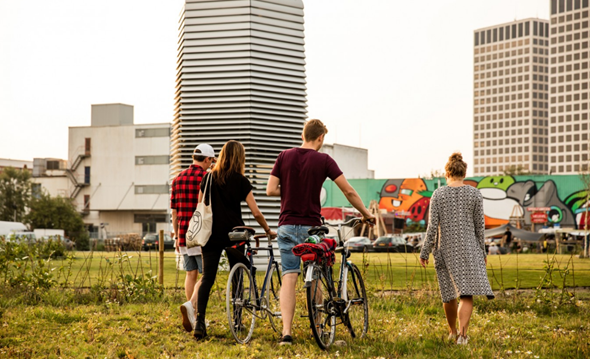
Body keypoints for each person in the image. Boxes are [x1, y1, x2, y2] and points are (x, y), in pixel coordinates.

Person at [266, 119, 375, 345]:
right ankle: (319, 328)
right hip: (311, 229)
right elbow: (348, 191)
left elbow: (270, 190)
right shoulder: (324, 159)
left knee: (289, 276)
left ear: (302, 135)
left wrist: (291, 190)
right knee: (316, 273)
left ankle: (286, 332)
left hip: (286, 226)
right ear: (320, 138)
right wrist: (366, 213)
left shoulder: (283, 156)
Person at [194, 140, 276, 340]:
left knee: (207, 278)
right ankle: (237, 320)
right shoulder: (241, 181)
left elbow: (200, 204)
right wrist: (267, 229)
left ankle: (199, 323)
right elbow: (255, 211)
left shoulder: (208, 178)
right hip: (234, 235)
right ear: (240, 158)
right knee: (238, 274)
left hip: (211, 234)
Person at [419, 152, 494, 345]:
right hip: (469, 249)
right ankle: (462, 336)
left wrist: (425, 251)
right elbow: (480, 227)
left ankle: (452, 331)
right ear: (464, 173)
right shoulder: (475, 194)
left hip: (444, 250)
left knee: (449, 294)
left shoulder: (438, 194)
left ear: (447, 174)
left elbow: (432, 227)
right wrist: (482, 252)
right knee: (466, 293)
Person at [171, 144, 216, 333]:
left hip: (182, 233)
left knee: (191, 274)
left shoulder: (177, 178)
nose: (212, 164)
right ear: (206, 159)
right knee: (206, 275)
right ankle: (191, 306)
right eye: (211, 161)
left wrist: (175, 235)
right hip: (201, 233)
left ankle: (193, 314)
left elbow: (174, 212)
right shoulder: (207, 178)